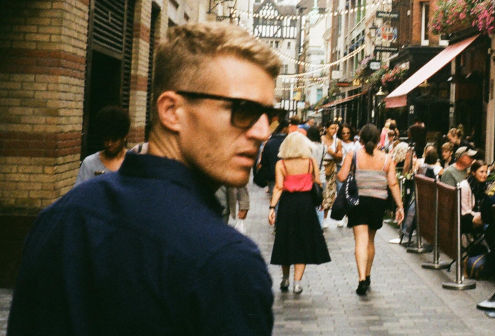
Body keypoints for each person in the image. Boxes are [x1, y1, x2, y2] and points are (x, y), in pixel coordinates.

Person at [9, 22, 280, 334]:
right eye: (243, 109)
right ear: (171, 110)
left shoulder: (62, 216)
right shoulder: (226, 262)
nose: (262, 132)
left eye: (269, 116)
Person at [337, 123, 404, 295]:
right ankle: (367, 275)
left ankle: (361, 279)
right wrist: (399, 205)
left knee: (360, 240)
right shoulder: (387, 158)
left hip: (358, 201)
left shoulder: (353, 155)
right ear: (377, 139)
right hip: (378, 202)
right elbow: (393, 183)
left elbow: (342, 176)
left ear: (361, 139)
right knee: (371, 241)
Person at [268, 132, 331, 294]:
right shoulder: (310, 163)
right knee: (302, 241)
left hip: (287, 204)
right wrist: (321, 201)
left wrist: (272, 208)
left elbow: (278, 187)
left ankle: (285, 278)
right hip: (305, 204)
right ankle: (297, 282)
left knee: (285, 240)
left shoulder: (281, 165)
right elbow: (317, 183)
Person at [76, 105, 131, 185]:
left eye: (114, 140)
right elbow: (80, 193)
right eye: (106, 139)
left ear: (124, 136)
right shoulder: (90, 163)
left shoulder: (134, 163)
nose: (109, 144)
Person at [458, 160, 489, 232]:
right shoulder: (465, 186)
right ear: (473, 172)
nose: (485, 175)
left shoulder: (482, 185)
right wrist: (479, 215)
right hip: (464, 217)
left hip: (474, 214)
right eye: (481, 172)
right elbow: (465, 210)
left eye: (486, 172)